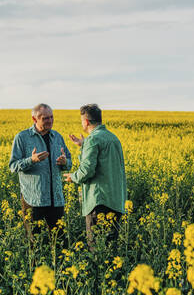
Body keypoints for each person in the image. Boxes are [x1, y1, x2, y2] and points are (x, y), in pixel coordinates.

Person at [64, 104, 127, 248]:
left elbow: (87, 170)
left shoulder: (93, 139)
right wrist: (84, 145)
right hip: (116, 200)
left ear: (86, 121)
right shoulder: (113, 138)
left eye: (82, 121)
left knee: (96, 247)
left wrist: (73, 177)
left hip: (99, 202)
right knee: (111, 247)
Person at [9, 103, 72, 240]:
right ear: (34, 119)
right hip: (33, 199)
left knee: (60, 241)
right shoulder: (22, 138)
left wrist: (65, 162)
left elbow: (69, 162)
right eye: (45, 118)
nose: (50, 121)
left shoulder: (57, 137)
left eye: (51, 117)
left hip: (56, 199)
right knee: (34, 242)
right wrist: (31, 160)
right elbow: (13, 166)